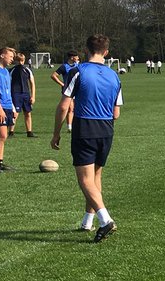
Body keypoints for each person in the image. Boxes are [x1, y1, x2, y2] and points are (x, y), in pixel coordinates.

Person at [53, 34, 124, 242]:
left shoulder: (78, 71)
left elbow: (64, 106)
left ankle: (105, 220)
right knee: (96, 177)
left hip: (85, 127)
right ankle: (87, 220)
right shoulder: (114, 76)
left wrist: (56, 133)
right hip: (106, 129)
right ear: (106, 52)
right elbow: (116, 113)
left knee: (85, 179)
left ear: (87, 50)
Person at [9, 52, 37, 137]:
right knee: (15, 113)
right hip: (15, 94)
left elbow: (32, 83)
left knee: (28, 113)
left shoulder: (27, 70)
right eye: (18, 61)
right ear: (15, 61)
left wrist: (33, 96)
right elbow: (8, 83)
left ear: (24, 61)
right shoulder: (11, 71)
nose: (20, 62)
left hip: (26, 94)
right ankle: (11, 132)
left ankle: (29, 132)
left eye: (22, 61)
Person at [52, 52, 81, 131]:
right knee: (70, 108)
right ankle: (69, 126)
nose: (78, 58)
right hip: (68, 90)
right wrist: (62, 84)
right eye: (76, 57)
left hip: (78, 89)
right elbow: (53, 75)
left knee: (76, 108)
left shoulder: (78, 66)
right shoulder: (64, 67)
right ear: (72, 57)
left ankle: (76, 124)